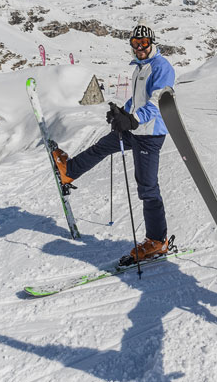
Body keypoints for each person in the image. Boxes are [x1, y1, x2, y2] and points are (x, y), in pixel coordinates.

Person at [51, 23, 175, 263]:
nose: (139, 48)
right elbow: (137, 100)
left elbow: (157, 100)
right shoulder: (140, 67)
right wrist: (122, 112)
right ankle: (70, 171)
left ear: (152, 43)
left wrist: (132, 119)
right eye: (135, 44)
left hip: (149, 135)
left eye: (143, 43)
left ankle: (157, 241)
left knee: (147, 188)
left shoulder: (161, 67)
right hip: (136, 129)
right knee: (104, 145)